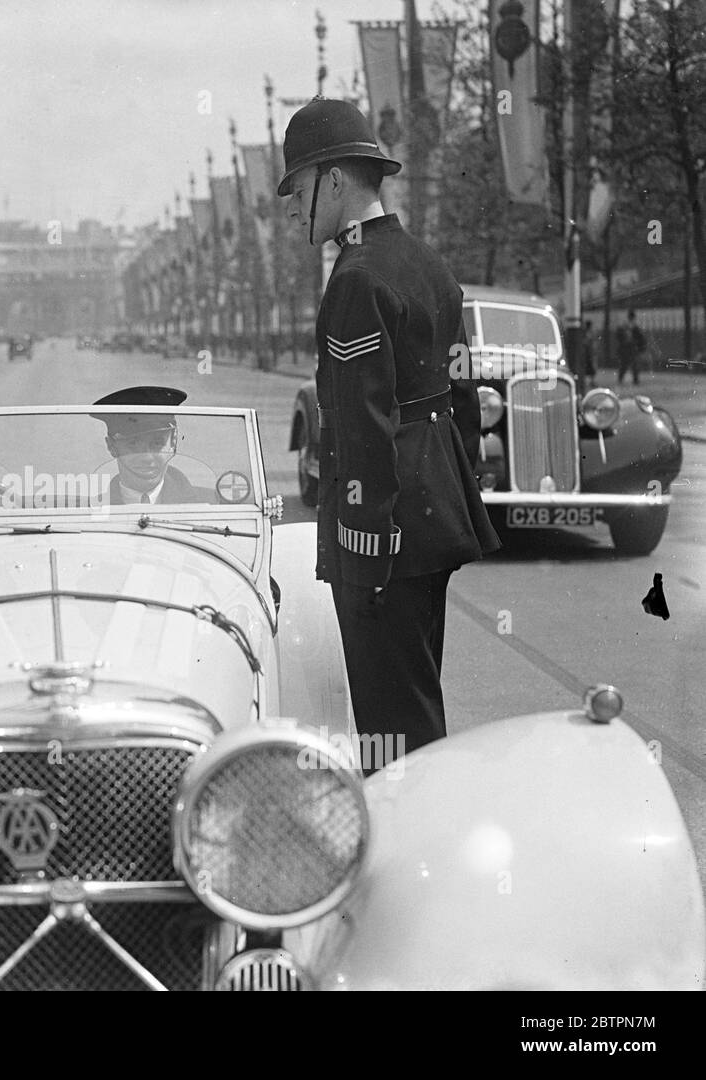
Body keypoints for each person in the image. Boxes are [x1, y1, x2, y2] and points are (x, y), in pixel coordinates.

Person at [279, 98, 500, 772]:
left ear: (335, 181)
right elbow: (459, 396)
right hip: (432, 512)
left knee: (387, 724)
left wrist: (365, 537)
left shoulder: (357, 279)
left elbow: (361, 424)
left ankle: (412, 856)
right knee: (414, 701)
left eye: (298, 190)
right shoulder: (427, 263)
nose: (294, 209)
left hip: (382, 532)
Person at [91, 385, 208, 504]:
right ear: (112, 446)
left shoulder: (210, 506)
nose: (147, 457)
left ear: (173, 442)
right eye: (133, 444)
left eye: (157, 443)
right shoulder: (87, 512)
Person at [616, 309, 646, 386]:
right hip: (630, 347)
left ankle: (622, 379)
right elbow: (641, 338)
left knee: (625, 364)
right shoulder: (633, 326)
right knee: (631, 364)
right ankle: (633, 380)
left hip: (628, 347)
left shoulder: (625, 325)